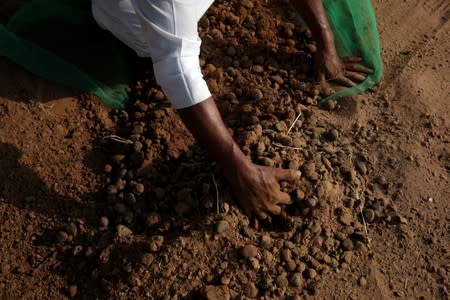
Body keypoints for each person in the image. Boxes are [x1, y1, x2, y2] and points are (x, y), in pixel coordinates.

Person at [91, 0, 371, 219]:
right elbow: (176, 70)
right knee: (151, 44)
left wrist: (326, 43)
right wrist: (239, 168)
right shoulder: (170, 5)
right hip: (128, 12)